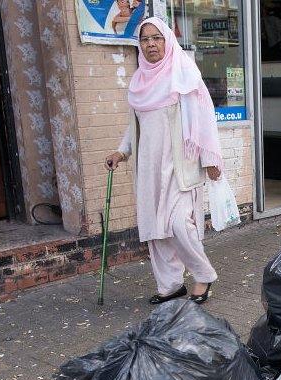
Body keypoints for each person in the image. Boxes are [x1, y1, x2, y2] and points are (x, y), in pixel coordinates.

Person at [106, 17, 222, 305]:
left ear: (167, 40)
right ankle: (170, 285)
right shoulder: (139, 82)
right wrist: (121, 152)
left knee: (180, 224)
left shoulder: (182, 74)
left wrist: (209, 158)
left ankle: (203, 275)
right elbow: (135, 126)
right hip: (148, 168)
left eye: (156, 38)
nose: (151, 44)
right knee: (155, 230)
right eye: (145, 39)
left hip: (180, 164)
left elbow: (203, 118)